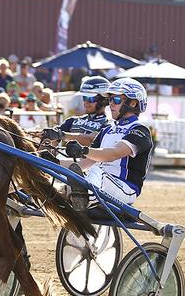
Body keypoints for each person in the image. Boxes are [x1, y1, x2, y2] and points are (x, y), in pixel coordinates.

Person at [63, 78, 153, 206]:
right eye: (110, 100)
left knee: (95, 171)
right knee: (65, 183)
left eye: (116, 100)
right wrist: (52, 162)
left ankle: (87, 200)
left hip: (126, 189)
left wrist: (84, 150)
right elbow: (85, 163)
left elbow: (113, 154)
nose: (111, 104)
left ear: (133, 103)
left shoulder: (140, 130)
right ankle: (33, 199)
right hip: (101, 183)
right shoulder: (106, 130)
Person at [48, 76, 110, 147]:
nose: (86, 102)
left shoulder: (108, 124)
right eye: (84, 98)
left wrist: (61, 135)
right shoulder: (72, 121)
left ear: (104, 100)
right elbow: (52, 140)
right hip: (66, 157)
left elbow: (91, 140)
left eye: (90, 98)